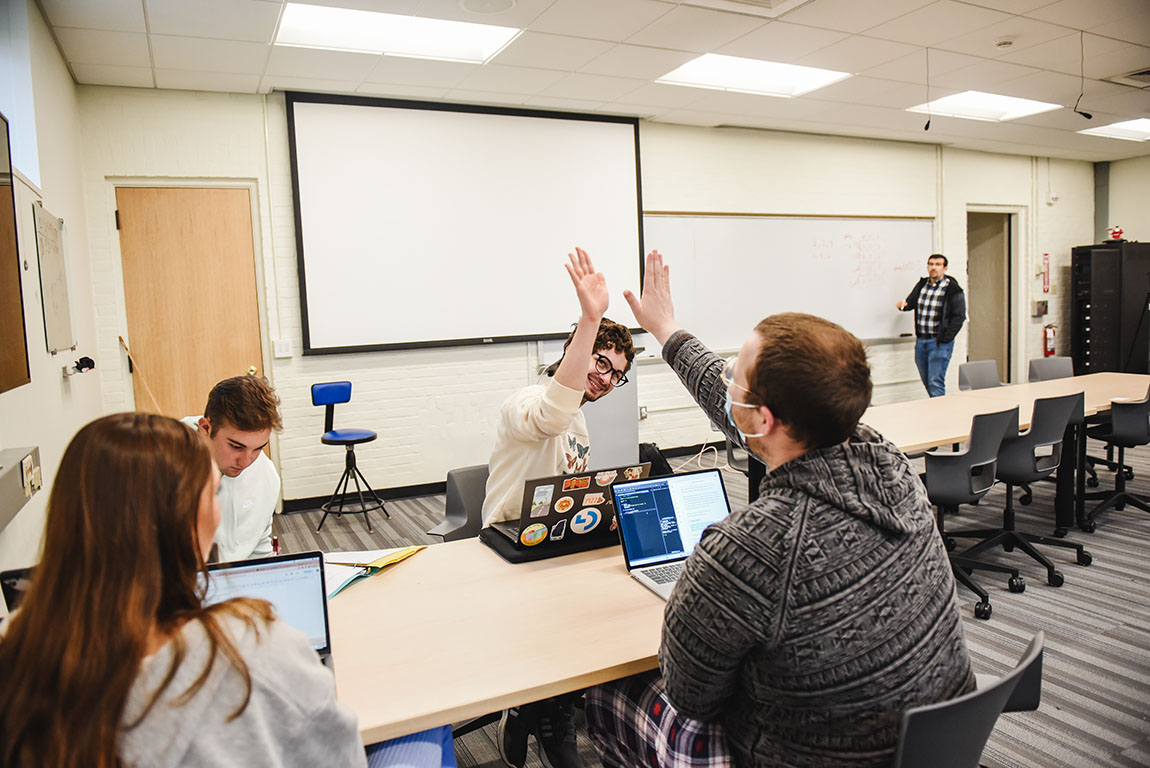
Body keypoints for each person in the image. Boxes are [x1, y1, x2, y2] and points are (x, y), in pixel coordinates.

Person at [583, 250, 973, 767]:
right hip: (932, 744)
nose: (727, 385)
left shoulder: (750, 546)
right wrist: (667, 329)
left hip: (809, 758)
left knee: (606, 695)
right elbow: (730, 404)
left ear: (763, 419)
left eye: (736, 378)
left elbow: (692, 695)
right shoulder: (888, 461)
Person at [0, 412, 455, 768]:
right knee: (424, 709)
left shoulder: (19, 652)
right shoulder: (251, 643)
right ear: (186, 517)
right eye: (212, 493)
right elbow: (337, 757)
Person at [485, 248, 634, 768]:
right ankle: (533, 708)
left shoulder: (583, 424)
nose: (606, 376)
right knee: (556, 616)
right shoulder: (525, 401)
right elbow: (550, 415)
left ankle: (549, 709)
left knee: (604, 603)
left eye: (616, 373)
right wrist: (591, 320)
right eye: (599, 359)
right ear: (576, 347)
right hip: (506, 543)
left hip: (553, 539)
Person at [183, 375, 283, 561]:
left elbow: (259, 546)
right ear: (206, 428)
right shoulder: (162, 466)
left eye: (259, 448)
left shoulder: (265, 473)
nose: (246, 462)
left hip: (239, 582)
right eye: (236, 447)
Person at [897, 253, 966, 397]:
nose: (933, 268)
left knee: (935, 381)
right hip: (922, 341)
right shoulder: (922, 285)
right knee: (927, 381)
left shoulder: (953, 289)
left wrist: (945, 339)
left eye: (938, 264)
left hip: (939, 342)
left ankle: (940, 416)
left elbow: (959, 317)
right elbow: (910, 303)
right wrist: (902, 305)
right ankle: (936, 408)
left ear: (945, 268)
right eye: (931, 264)